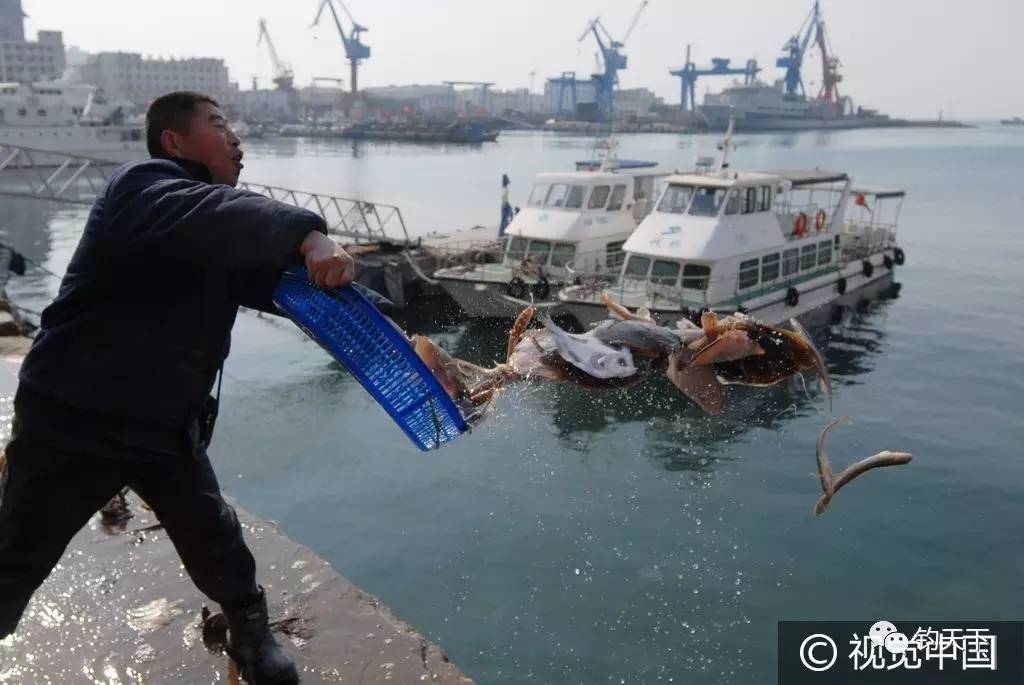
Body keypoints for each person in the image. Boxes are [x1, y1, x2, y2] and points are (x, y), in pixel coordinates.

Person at [0, 92, 355, 685]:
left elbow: (278, 284)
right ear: (174, 141)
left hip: (165, 425)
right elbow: (226, 214)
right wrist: (311, 235)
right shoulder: (143, 188)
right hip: (73, 420)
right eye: (219, 125)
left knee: (215, 535)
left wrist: (369, 321)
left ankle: (250, 635)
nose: (237, 139)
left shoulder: (209, 228)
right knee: (15, 556)